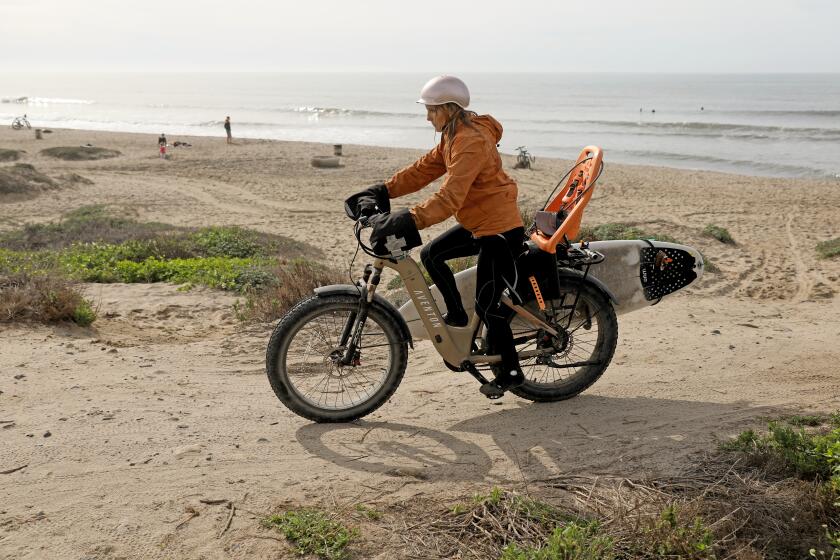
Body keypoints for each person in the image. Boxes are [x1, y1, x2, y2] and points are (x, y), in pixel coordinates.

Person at [346, 75, 525, 395]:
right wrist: (383, 190)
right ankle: (456, 314)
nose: (427, 116)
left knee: (488, 304)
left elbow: (450, 197)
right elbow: (424, 169)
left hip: (499, 228)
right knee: (432, 254)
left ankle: (511, 373)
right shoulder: (453, 134)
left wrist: (410, 219)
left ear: (446, 108)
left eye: (430, 110)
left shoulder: (469, 141)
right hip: (480, 221)